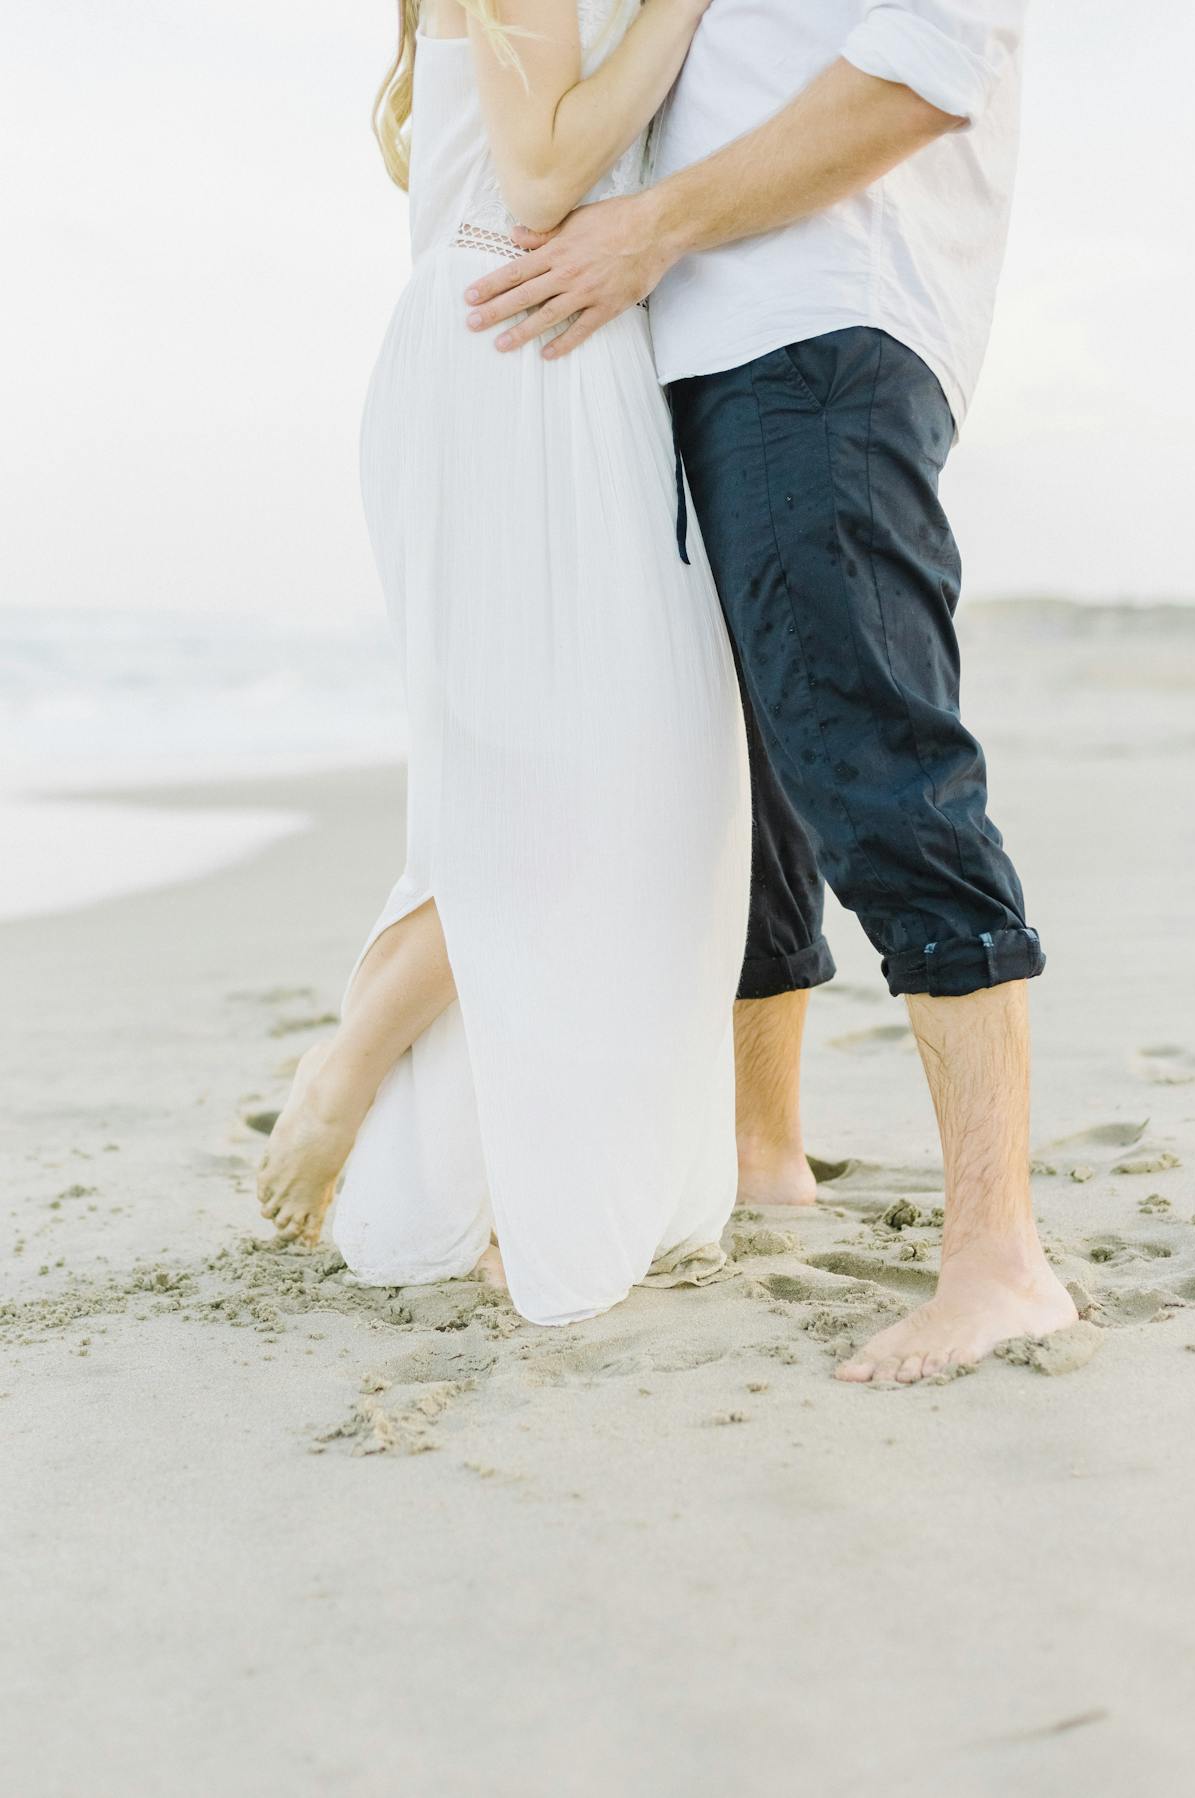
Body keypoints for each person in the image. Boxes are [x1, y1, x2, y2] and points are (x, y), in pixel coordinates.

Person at [460, 0, 1077, 1380]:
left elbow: (928, 68)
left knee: (877, 762)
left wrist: (653, 226)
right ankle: (764, 1149)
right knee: (747, 777)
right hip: (698, 346)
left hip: (822, 331)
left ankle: (1000, 1253)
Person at [257, 0, 754, 1328]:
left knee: (614, 780)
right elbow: (536, 177)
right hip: (516, 352)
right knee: (575, 790)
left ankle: (498, 1169)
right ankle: (347, 1072)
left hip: (546, 339)